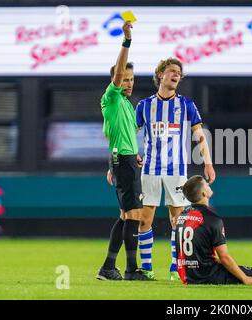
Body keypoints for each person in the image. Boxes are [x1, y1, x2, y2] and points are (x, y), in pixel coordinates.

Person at [135, 58, 215, 280]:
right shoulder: (144, 105)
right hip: (150, 168)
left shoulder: (186, 105)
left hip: (177, 169)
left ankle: (175, 267)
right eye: (172, 71)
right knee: (144, 219)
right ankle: (147, 267)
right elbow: (130, 134)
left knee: (177, 220)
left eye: (179, 72)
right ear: (161, 74)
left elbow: (200, 136)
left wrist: (207, 162)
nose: (176, 75)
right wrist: (134, 154)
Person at [96, 21, 147, 281]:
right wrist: (126, 42)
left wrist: (126, 157)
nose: (128, 83)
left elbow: (118, 137)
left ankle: (109, 267)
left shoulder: (127, 104)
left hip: (125, 160)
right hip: (123, 161)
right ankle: (129, 270)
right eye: (124, 79)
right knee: (134, 216)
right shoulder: (112, 97)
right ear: (115, 79)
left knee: (127, 216)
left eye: (131, 79)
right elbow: (117, 76)